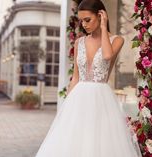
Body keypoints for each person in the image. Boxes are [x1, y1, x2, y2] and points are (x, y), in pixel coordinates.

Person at [35, 0, 142, 157]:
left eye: (88, 20)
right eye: (81, 21)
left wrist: (104, 27)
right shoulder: (79, 42)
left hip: (101, 100)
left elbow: (107, 55)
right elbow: (76, 77)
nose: (84, 25)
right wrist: (66, 107)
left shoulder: (117, 40)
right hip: (78, 99)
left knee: (98, 143)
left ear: (100, 15)